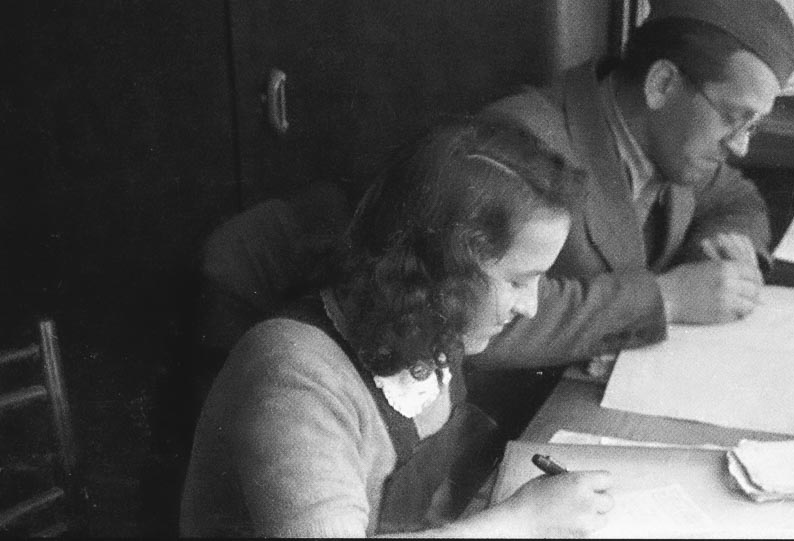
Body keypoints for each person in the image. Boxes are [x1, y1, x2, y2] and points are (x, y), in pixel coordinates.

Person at [179, 118, 613, 537]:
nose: (531, 307)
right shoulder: (294, 377)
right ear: (443, 266)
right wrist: (522, 522)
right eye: (517, 281)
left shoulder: (429, 332)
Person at [468, 0, 794, 417]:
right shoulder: (524, 141)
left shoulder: (673, 144)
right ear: (662, 83)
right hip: (509, 420)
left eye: (753, 126)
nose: (741, 146)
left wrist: (723, 251)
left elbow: (736, 201)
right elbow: (473, 318)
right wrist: (668, 298)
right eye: (733, 117)